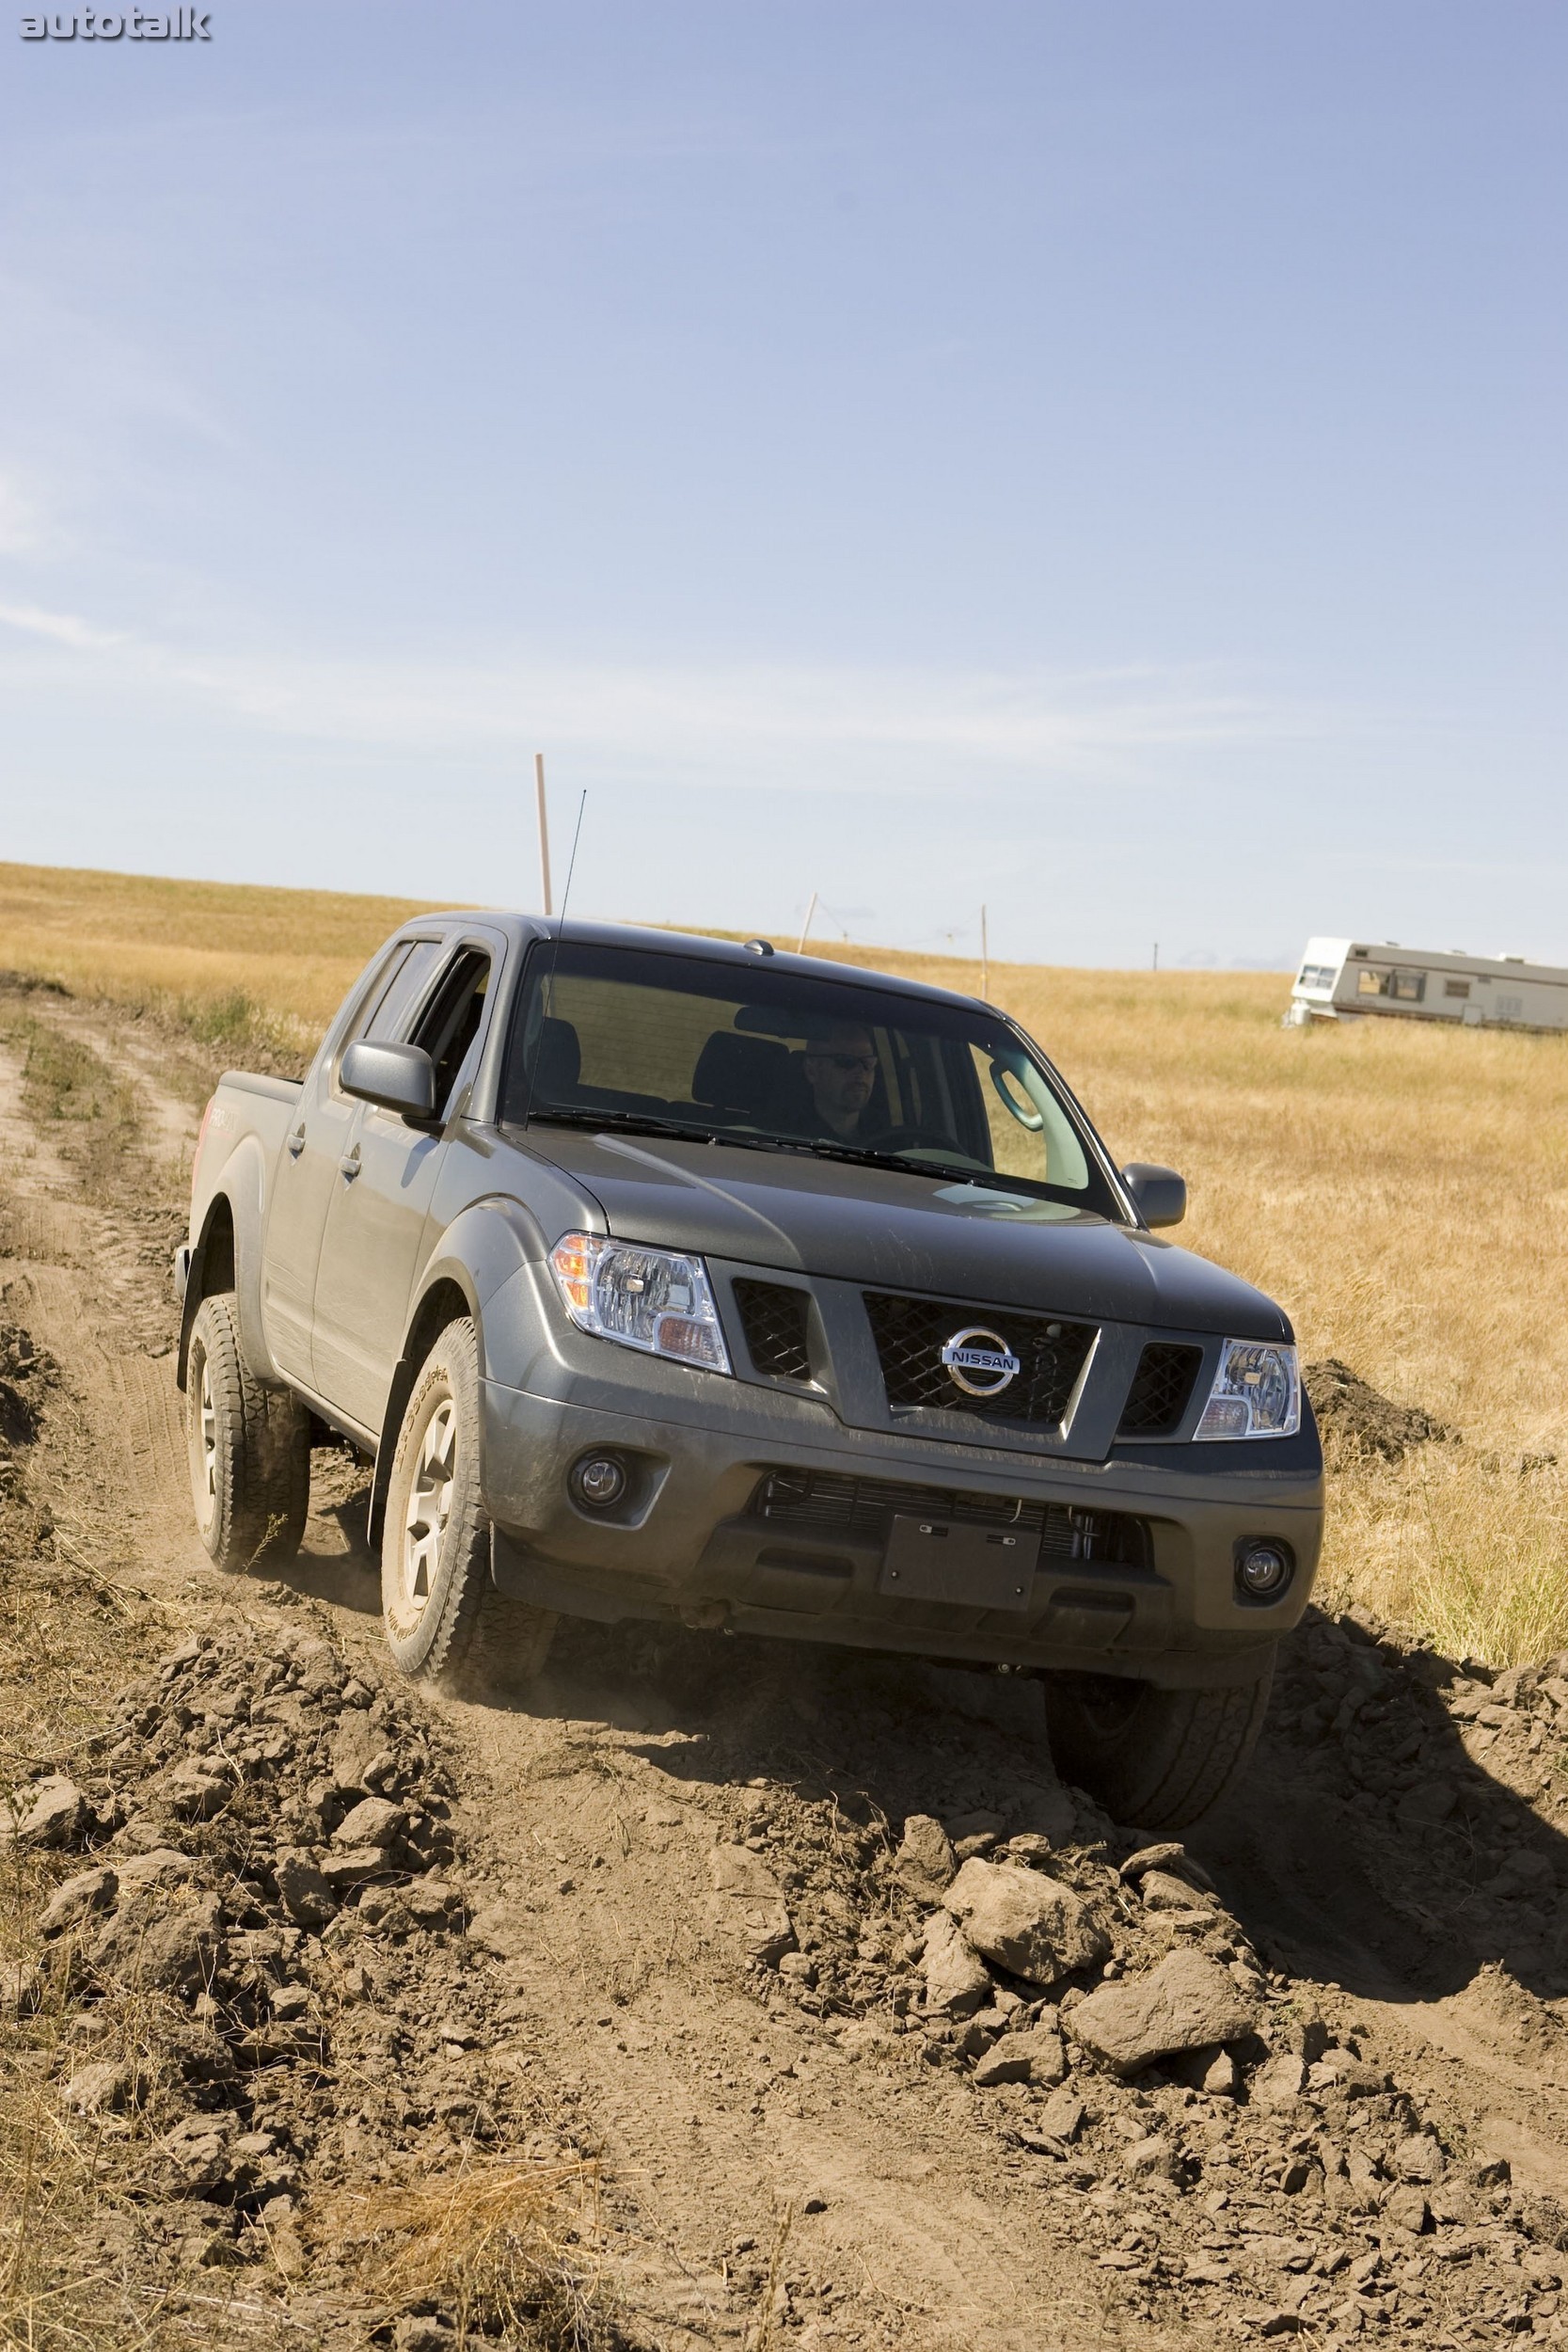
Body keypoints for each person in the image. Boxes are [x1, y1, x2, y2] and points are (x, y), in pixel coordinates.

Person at [800, 1022, 879, 1140]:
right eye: (846, 1061)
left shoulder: (889, 1135)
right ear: (812, 1071)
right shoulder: (783, 1133)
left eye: (867, 1062)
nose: (861, 1072)